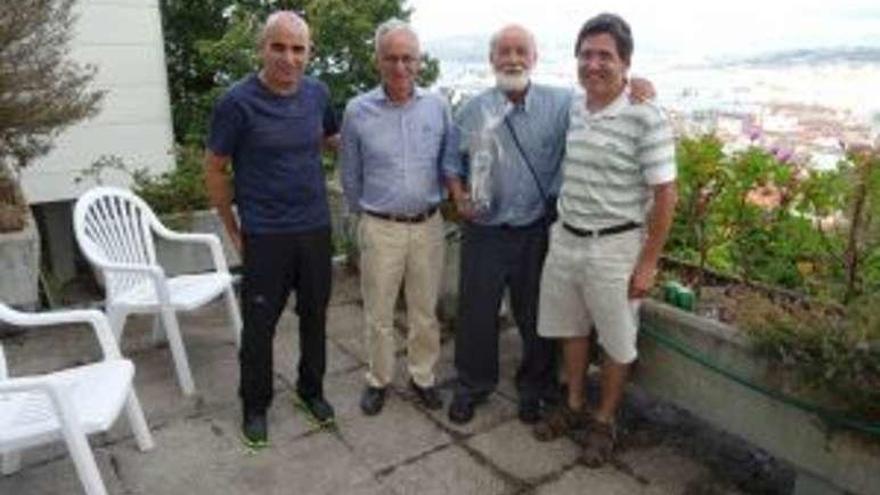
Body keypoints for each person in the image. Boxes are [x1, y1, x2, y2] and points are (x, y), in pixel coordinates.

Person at [533, 13, 677, 468]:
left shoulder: (645, 115)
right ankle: (574, 405)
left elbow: (665, 192)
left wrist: (649, 262)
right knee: (571, 329)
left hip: (615, 247)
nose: (594, 64)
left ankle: (604, 420)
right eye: (587, 54)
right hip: (567, 238)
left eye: (605, 56)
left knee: (617, 341)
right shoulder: (575, 106)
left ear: (625, 63)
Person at [204, 11, 339, 449]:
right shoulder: (237, 102)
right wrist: (234, 229)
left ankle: (311, 390)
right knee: (260, 325)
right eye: (278, 47)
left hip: (316, 227)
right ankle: (255, 404)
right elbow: (215, 168)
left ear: (309, 53)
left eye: (298, 49)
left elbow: (331, 139)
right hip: (265, 234)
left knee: (315, 316)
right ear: (262, 48)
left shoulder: (318, 93)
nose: (288, 57)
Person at [444, 25, 568, 425]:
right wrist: (460, 196)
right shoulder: (472, 109)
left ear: (534, 58)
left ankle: (534, 386)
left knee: (535, 315)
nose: (513, 59)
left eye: (521, 51)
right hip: (484, 229)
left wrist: (636, 87)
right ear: (491, 59)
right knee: (476, 312)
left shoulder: (561, 104)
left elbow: (602, 106)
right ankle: (472, 384)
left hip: (534, 229)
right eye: (504, 52)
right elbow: (450, 163)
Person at [340, 19, 456, 416]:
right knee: (379, 312)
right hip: (380, 226)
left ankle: (423, 375)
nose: (400, 66)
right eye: (391, 58)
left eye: (408, 58)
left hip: (428, 225)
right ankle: (379, 378)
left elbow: (450, 161)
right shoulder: (358, 111)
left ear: (419, 61)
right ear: (378, 61)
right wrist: (363, 220)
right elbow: (350, 173)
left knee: (425, 311)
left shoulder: (438, 106)